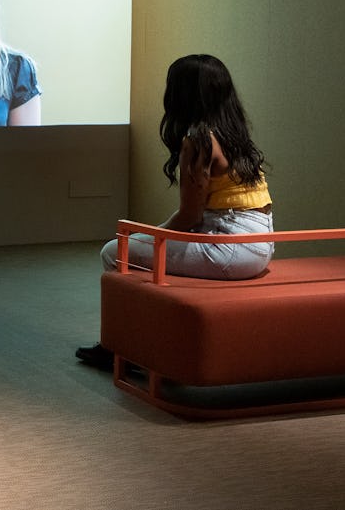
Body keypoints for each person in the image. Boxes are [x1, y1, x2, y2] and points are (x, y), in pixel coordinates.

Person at [76, 53, 274, 370]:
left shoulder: (198, 140)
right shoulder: (235, 134)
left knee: (116, 251)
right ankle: (138, 343)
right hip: (260, 247)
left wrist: (152, 235)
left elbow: (189, 218)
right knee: (139, 248)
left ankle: (122, 347)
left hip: (230, 250)